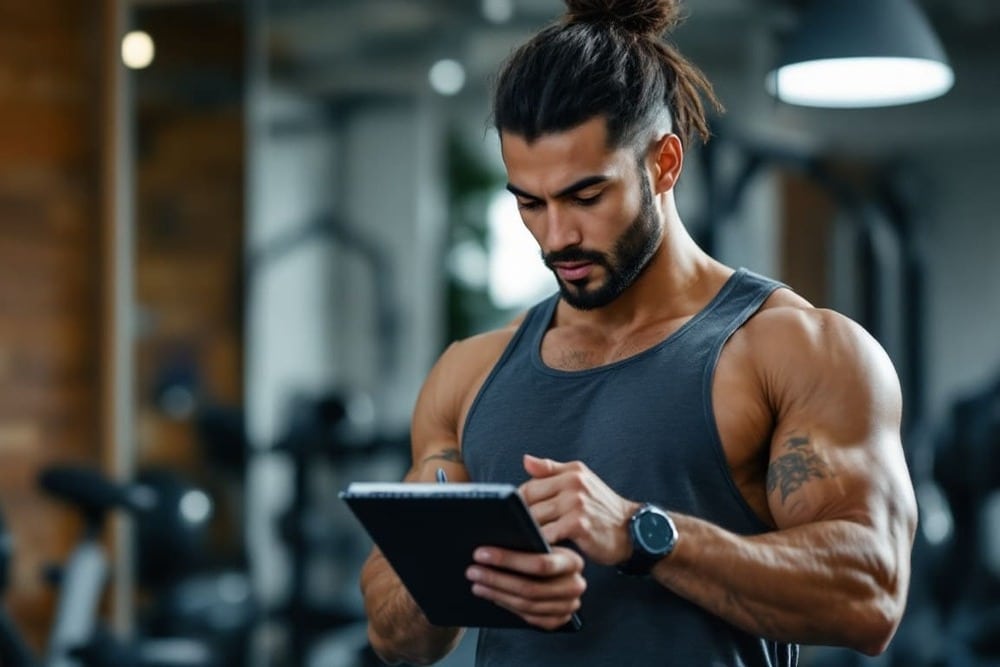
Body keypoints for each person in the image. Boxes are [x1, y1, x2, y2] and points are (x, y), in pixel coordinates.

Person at [359, 0, 918, 664]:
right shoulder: (470, 372)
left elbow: (871, 594)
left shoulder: (794, 349)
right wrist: (471, 574)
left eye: (585, 196)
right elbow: (392, 633)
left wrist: (641, 533)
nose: (556, 236)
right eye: (530, 203)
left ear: (663, 164)